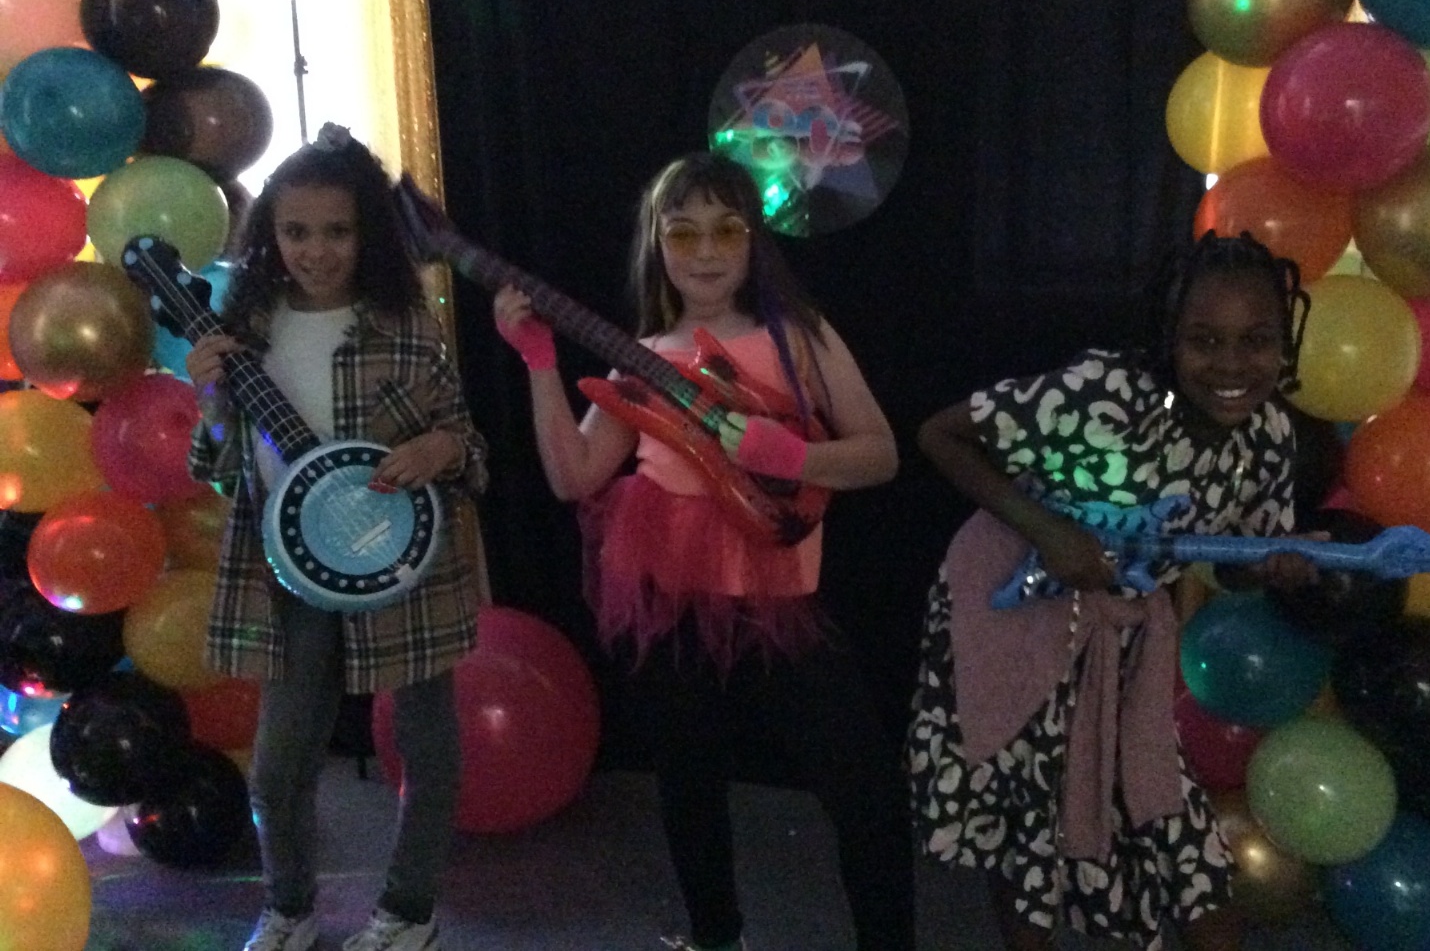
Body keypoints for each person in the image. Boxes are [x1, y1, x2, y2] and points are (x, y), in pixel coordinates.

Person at [493, 152, 915, 951]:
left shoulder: (799, 336)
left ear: (755, 239)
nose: (707, 250)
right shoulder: (642, 352)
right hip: (671, 599)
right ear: (657, 243)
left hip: (780, 601)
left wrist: (792, 456)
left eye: (727, 229)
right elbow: (573, 475)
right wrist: (538, 362)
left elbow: (880, 453)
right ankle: (715, 936)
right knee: (688, 785)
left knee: (866, 790)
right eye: (683, 232)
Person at [907, 231, 1314, 951]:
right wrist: (1051, 532)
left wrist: (1268, 567)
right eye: (1204, 340)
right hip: (1012, 612)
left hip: (1120, 640)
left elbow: (1230, 558)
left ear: (1285, 343)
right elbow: (940, 435)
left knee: (1168, 817)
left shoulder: (1270, 435)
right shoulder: (1105, 393)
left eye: (1256, 341)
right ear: (1170, 340)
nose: (1230, 364)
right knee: (1030, 822)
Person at [185, 124, 488, 951]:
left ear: (368, 234)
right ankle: (289, 907)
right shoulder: (246, 325)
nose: (315, 251)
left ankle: (409, 911)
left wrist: (442, 449)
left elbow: (471, 446)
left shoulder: (406, 323)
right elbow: (218, 469)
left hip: (403, 564)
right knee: (279, 763)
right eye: (295, 231)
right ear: (269, 233)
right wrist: (209, 403)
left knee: (427, 751)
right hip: (290, 568)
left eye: (337, 231)